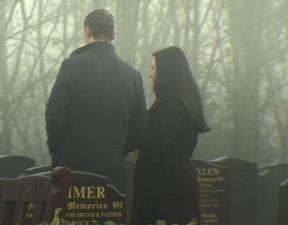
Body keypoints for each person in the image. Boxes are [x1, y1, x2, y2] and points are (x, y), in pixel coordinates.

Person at [45, 9, 147, 193]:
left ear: (87, 31)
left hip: (72, 170)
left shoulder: (71, 66)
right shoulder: (133, 76)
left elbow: (54, 115)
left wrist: (60, 152)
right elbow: (139, 130)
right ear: (113, 34)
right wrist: (115, 152)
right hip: (112, 174)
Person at [132, 46, 210, 225]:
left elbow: (159, 141)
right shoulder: (178, 101)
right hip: (171, 182)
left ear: (167, 71)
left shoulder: (173, 104)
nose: (151, 74)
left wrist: (131, 133)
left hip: (165, 188)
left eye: (153, 68)